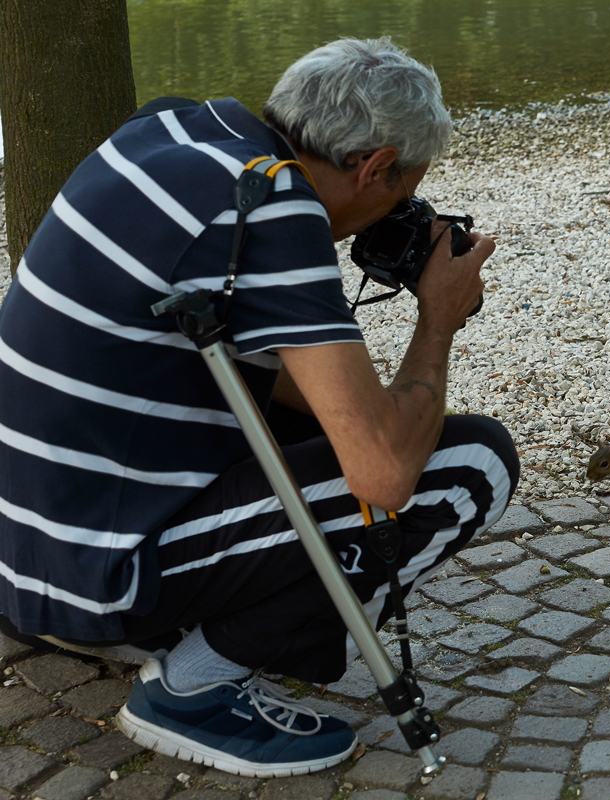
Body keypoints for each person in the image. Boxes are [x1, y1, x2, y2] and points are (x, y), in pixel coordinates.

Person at [0, 38, 519, 777]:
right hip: (94, 575)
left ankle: (123, 618)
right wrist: (437, 320)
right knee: (470, 463)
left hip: (24, 548)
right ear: (373, 165)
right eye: (398, 198)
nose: (391, 217)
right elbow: (384, 475)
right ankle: (192, 690)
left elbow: (250, 368)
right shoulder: (274, 203)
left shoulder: (175, 130)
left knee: (325, 415)